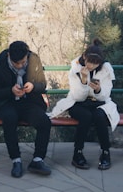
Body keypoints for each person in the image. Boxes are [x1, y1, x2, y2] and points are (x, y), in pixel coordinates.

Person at [0, 41, 51, 178]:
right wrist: (10, 91)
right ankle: (16, 160)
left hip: (29, 101)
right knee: (9, 119)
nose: (20, 66)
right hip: (7, 102)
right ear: (9, 56)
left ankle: (38, 159)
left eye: (23, 62)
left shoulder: (34, 60)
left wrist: (32, 86)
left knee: (44, 121)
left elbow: (42, 84)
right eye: (16, 64)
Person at [50, 39, 120, 170]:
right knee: (86, 116)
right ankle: (78, 153)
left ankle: (105, 152)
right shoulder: (76, 68)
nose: (92, 66)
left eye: (96, 63)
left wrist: (98, 90)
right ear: (84, 57)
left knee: (100, 116)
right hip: (78, 103)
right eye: (89, 62)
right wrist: (83, 81)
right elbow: (77, 96)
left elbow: (105, 96)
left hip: (99, 103)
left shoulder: (106, 69)